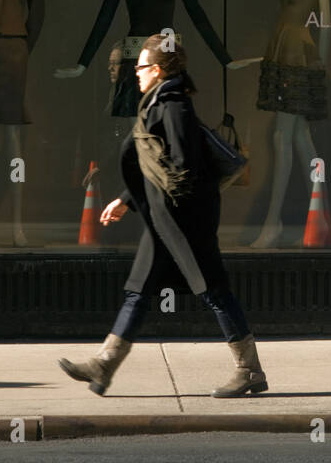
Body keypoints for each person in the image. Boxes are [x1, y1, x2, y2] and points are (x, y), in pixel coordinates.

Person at [59, 34, 267, 398]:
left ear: (156, 70)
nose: (134, 73)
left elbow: (185, 166)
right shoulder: (157, 102)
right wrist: (126, 200)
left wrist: (176, 217)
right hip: (164, 222)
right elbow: (157, 164)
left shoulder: (174, 107)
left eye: (139, 66)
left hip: (185, 222)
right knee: (137, 292)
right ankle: (104, 364)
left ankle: (249, 370)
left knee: (214, 291)